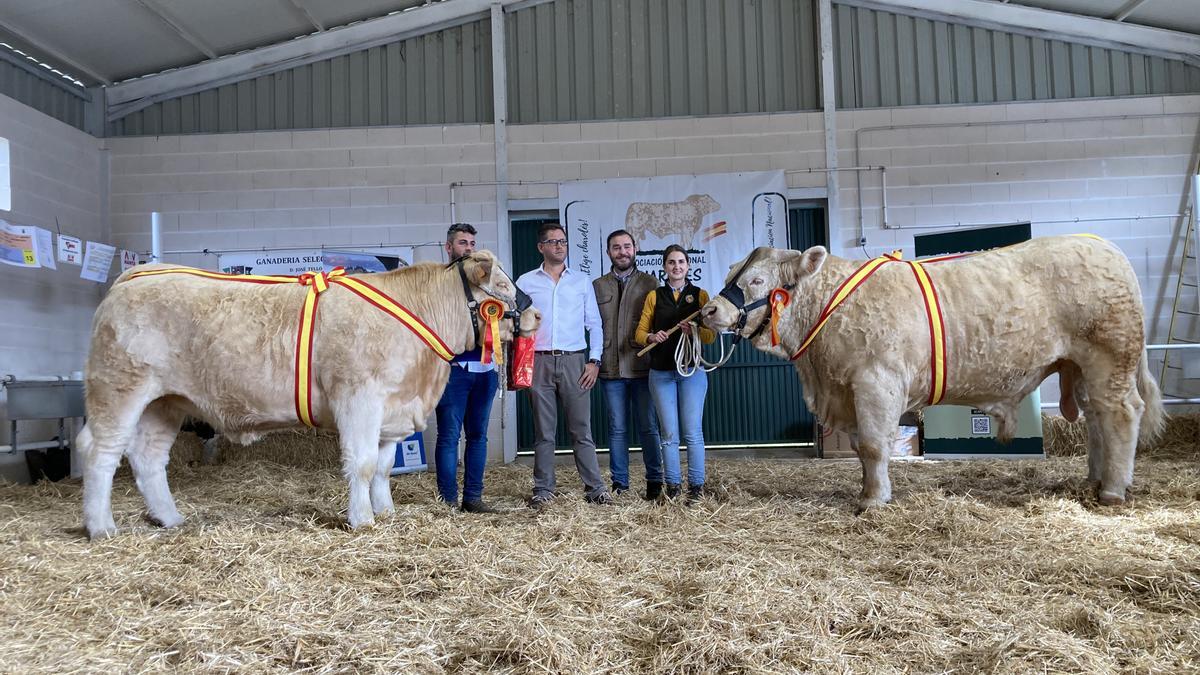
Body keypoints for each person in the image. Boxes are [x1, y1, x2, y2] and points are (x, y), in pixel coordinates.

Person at [516, 223, 612, 507]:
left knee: (581, 430)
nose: (559, 246)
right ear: (541, 247)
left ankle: (595, 489)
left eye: (563, 241)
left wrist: (594, 361)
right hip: (539, 361)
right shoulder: (525, 282)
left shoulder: (581, 281)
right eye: (553, 241)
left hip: (574, 361)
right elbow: (515, 322)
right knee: (544, 432)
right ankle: (543, 490)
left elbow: (594, 325)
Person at [635, 244, 715, 503]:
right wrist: (651, 335)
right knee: (669, 435)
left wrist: (694, 331)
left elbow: (711, 336)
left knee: (693, 432)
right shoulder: (654, 296)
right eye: (671, 262)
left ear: (688, 265)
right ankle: (673, 487)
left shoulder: (700, 296)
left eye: (681, 262)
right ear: (664, 266)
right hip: (660, 372)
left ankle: (696, 488)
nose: (676, 266)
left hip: (692, 370)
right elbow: (639, 333)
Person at [433, 223, 500, 513]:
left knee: (478, 436)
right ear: (449, 247)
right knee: (449, 436)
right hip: (453, 369)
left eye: (472, 243)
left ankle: (473, 498)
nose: (469, 249)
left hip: (486, 368)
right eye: (463, 243)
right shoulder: (437, 283)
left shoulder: (486, 281)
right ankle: (448, 501)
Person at [593, 229, 663, 499]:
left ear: (635, 249)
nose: (622, 252)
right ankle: (620, 485)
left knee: (648, 426)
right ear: (608, 252)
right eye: (616, 247)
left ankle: (654, 482)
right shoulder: (598, 286)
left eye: (626, 246)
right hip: (610, 369)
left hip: (642, 367)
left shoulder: (650, 284)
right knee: (617, 428)